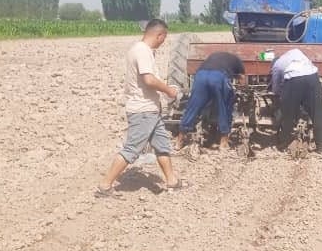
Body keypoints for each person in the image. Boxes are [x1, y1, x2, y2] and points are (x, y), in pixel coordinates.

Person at [96, 19, 184, 196]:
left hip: (151, 109)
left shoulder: (139, 49)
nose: (163, 42)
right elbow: (149, 80)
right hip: (143, 110)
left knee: (161, 145)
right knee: (131, 149)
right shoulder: (142, 51)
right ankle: (105, 186)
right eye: (163, 38)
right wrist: (170, 91)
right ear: (160, 35)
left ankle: (172, 181)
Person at [175, 51, 246, 150]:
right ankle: (223, 143)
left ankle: (179, 140)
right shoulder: (237, 60)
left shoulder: (213, 56)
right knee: (224, 107)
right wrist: (240, 89)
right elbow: (242, 80)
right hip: (218, 77)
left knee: (193, 107)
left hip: (200, 75)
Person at [270, 48, 322, 153]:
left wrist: (277, 95)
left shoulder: (277, 64)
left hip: (294, 81)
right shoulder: (298, 54)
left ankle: (283, 144)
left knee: (288, 114)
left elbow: (276, 84)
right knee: (317, 114)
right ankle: (321, 146)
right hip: (313, 79)